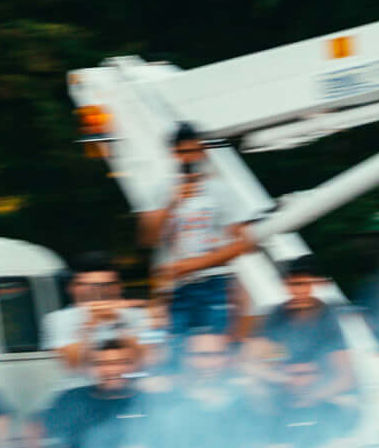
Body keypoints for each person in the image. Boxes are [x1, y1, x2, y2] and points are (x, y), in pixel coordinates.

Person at [143, 126, 251, 338]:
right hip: (175, 287)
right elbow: (147, 238)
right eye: (183, 152)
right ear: (173, 154)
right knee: (177, 349)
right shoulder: (160, 190)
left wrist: (193, 265)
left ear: (203, 152)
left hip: (214, 282)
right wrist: (172, 203)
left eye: (194, 150)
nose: (189, 157)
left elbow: (243, 243)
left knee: (216, 345)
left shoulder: (221, 189)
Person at [45, 254, 161, 377]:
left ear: (119, 286)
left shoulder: (141, 315)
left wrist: (118, 322)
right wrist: (90, 326)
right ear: (73, 288)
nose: (99, 291)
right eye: (89, 286)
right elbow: (72, 365)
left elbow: (150, 360)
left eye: (107, 285)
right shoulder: (58, 320)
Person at [260, 259, 357, 398]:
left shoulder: (331, 317)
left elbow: (346, 375)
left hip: (323, 385)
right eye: (292, 285)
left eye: (304, 284)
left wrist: (312, 396)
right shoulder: (277, 314)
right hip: (288, 382)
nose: (298, 291)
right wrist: (283, 377)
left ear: (317, 284)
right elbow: (263, 358)